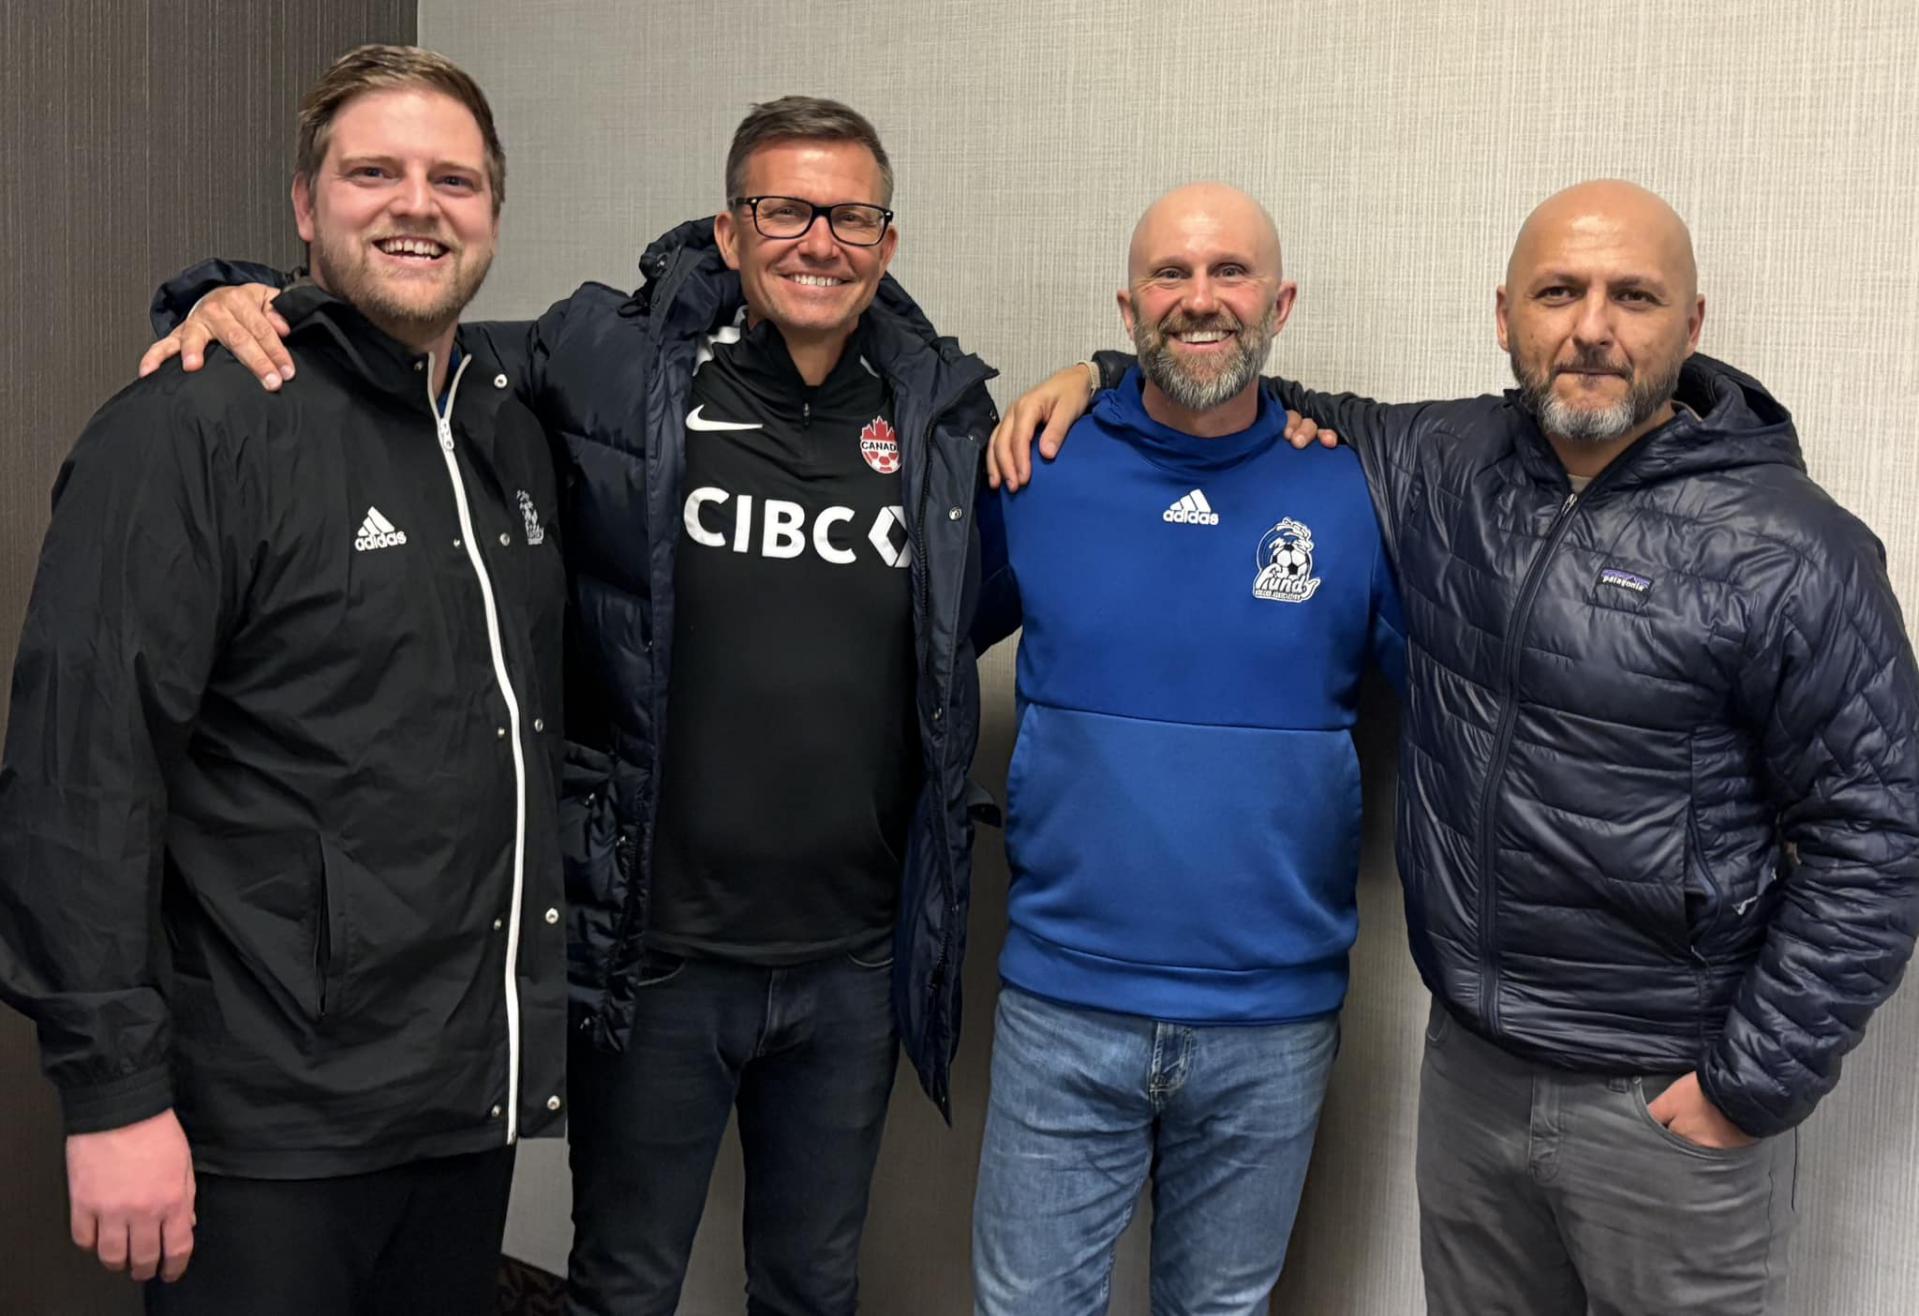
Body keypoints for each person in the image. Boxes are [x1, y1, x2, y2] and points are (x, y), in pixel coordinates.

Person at [988, 179, 1919, 1315]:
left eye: (1630, 295)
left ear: (1690, 322)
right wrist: (1091, 373)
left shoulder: (1792, 546)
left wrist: (1749, 1082)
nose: (1589, 325)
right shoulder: (1442, 466)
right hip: (1471, 1072)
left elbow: (1877, 834)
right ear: (1502, 315)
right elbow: (1210, 377)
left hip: (1662, 1089)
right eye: (1556, 291)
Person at [145, 96, 1000, 1316]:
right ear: (731, 227)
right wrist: (232, 294)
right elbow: (403, 333)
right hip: (657, 954)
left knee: (812, 1282)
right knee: (626, 1281)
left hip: (850, 964)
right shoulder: (606, 360)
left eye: (852, 215)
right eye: (785, 209)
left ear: (887, 239)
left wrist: (1103, 372)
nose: (820, 239)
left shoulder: (935, 419)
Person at [0, 45, 566, 1313]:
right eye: (374, 172)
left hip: (459, 1111)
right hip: (263, 1134)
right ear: (306, 209)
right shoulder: (192, 424)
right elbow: (80, 772)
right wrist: (112, 1093)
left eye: (454, 179)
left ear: (491, 213)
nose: (418, 204)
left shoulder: (505, 431)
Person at [968, 183, 1402, 1315]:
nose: (1198, 298)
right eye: (1169, 274)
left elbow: (1465, 711)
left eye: (1228, 272)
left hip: (1272, 1018)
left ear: (1280, 300)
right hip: (1063, 999)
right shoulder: (1039, 467)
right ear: (1125, 304)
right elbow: (903, 653)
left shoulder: (1353, 486)